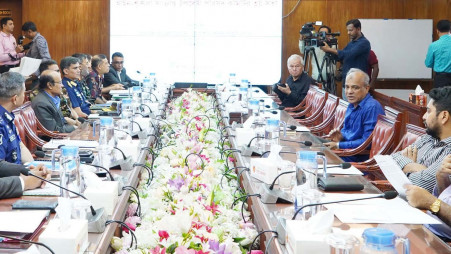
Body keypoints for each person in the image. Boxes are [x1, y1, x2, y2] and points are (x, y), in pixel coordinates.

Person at [392, 86, 451, 193]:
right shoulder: (428, 137)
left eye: (428, 111)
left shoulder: (449, 151)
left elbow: (421, 184)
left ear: (444, 116)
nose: (423, 116)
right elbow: (391, 160)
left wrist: (402, 169)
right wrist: (413, 166)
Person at [324, 68, 384, 162]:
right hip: (345, 152)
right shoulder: (351, 104)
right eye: (347, 87)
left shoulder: (372, 107)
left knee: (317, 160)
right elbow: (347, 132)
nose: (349, 92)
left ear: (366, 88)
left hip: (357, 158)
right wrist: (341, 137)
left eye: (355, 87)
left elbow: (367, 142)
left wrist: (339, 145)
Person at [320, 19, 370, 100]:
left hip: (357, 85)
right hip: (347, 83)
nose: (348, 33)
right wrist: (329, 51)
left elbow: (348, 54)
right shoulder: (351, 43)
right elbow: (341, 57)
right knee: (347, 109)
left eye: (350, 30)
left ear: (358, 29)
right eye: (347, 30)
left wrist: (329, 49)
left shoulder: (364, 43)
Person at [405, 155, 451, 241]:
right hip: (424, 227)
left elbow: (434, 203)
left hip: (443, 242)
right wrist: (442, 178)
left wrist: (430, 202)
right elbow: (447, 199)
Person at [0, 72, 34, 164]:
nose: (25, 96)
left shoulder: (7, 116)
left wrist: (33, 167)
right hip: (11, 177)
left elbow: (20, 146)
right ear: (15, 99)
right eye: (24, 93)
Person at [425, 20, 451, 88]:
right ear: (450, 30)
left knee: (440, 98)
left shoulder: (433, 45)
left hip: (440, 79)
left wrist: (439, 64)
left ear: (437, 31)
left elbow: (428, 63)